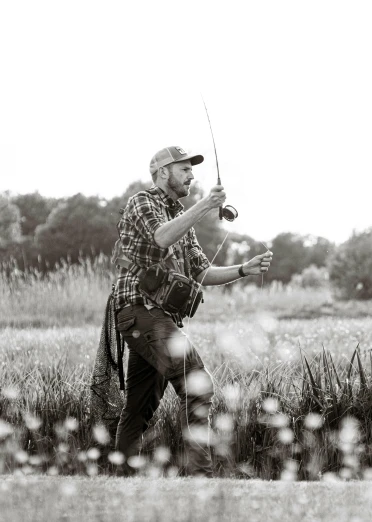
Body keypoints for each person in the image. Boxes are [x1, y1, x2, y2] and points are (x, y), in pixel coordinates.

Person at [112, 145, 273, 476]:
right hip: (139, 310)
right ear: (163, 173)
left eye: (191, 169)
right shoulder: (143, 202)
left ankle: (120, 478)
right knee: (197, 381)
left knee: (139, 408)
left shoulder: (183, 218)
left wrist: (244, 268)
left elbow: (201, 272)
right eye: (184, 169)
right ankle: (200, 476)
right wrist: (205, 205)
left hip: (158, 319)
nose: (191, 175)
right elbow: (160, 238)